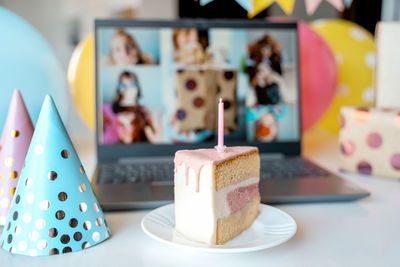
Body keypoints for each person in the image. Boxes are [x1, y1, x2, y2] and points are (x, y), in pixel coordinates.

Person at [112, 71, 156, 143]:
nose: (129, 89)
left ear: (137, 88)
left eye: (132, 85)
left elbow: (153, 138)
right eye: (124, 85)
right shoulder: (113, 109)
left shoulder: (144, 111)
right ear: (119, 89)